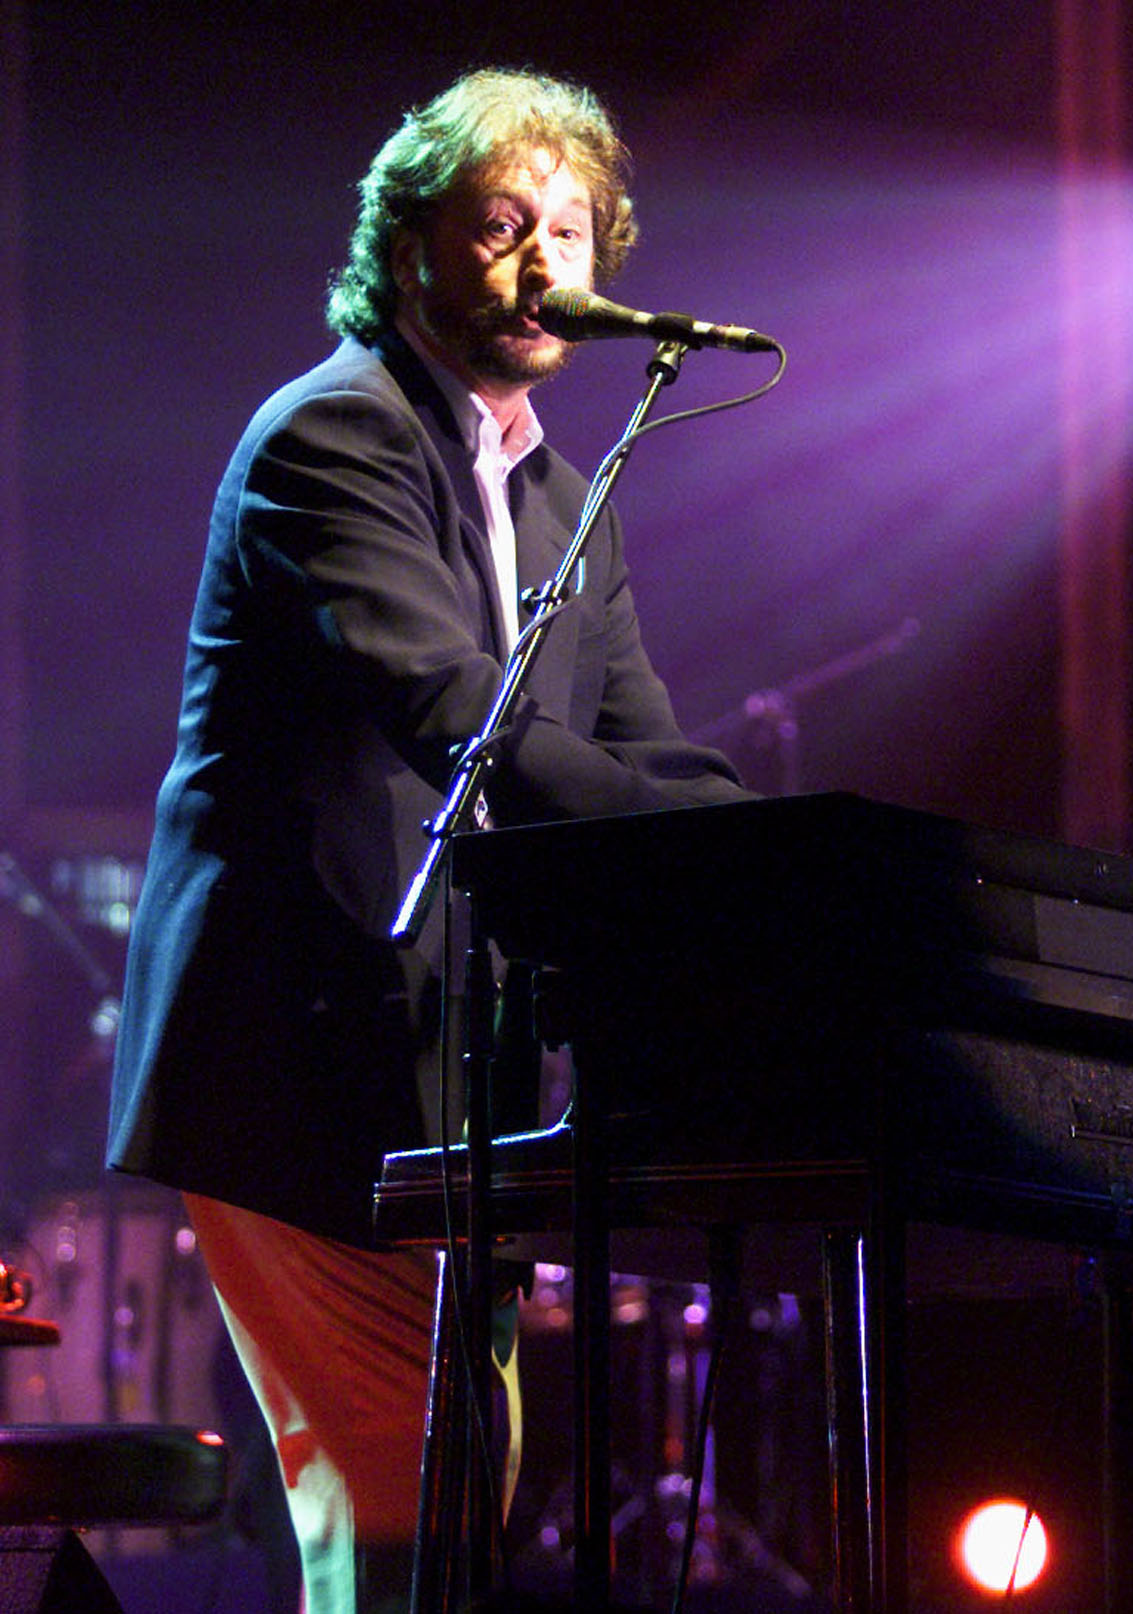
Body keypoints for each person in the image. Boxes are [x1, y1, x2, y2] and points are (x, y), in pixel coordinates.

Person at [105, 69, 750, 1613]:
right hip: (294, 1057)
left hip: (455, 1073)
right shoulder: (328, 438)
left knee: (458, 1509)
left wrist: (802, 865)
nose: (545, 264)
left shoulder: (555, 495)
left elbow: (637, 747)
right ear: (409, 253)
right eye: (502, 227)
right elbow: (459, 710)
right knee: (396, 1512)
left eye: (572, 231)